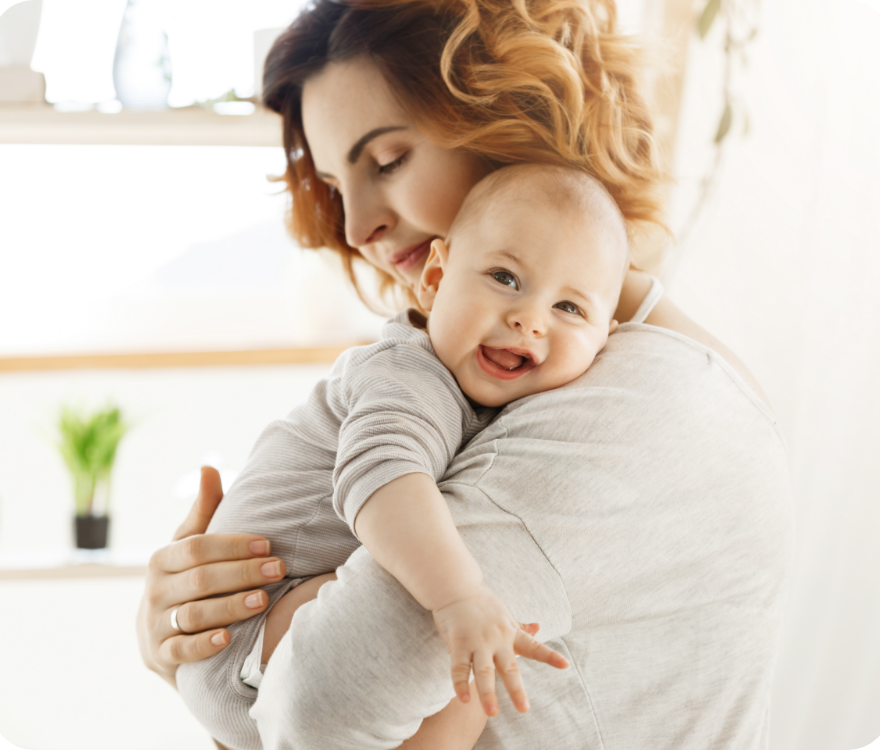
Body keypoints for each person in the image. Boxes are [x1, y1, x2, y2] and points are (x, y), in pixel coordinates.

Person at [136, 2, 794, 748]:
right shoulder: (497, 371)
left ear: (511, 114)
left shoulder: (638, 404)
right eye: (335, 184)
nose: (355, 230)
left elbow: (318, 708)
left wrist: (248, 646)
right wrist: (194, 645)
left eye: (386, 161)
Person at [176, 164, 631, 750]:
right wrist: (461, 595)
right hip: (250, 628)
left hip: (261, 643)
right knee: (447, 642)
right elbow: (382, 483)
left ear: (606, 338)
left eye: (570, 309)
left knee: (470, 685)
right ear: (436, 278)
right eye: (504, 277)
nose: (530, 319)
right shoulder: (408, 376)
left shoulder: (506, 400)